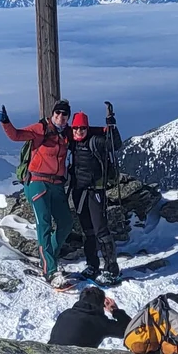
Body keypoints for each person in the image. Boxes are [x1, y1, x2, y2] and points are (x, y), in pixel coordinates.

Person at [0, 99, 76, 288]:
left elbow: (87, 131)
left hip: (57, 184)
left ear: (68, 117)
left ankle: (47, 256)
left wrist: (107, 129)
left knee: (66, 223)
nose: (60, 117)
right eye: (57, 113)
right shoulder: (41, 128)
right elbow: (16, 135)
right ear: (52, 114)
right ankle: (50, 270)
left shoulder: (67, 133)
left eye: (64, 114)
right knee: (44, 224)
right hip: (37, 182)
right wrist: (5, 122)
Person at [65, 101, 123, 285]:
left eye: (82, 128)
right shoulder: (72, 143)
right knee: (87, 231)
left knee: (101, 231)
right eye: (76, 128)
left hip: (95, 192)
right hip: (79, 192)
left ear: (87, 128)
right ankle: (93, 266)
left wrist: (110, 124)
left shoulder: (95, 141)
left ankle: (112, 270)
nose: (79, 131)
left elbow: (115, 145)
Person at [47, 286, 132, 348]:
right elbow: (128, 330)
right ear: (100, 305)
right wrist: (115, 310)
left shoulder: (65, 314)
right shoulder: (99, 322)